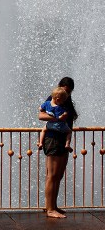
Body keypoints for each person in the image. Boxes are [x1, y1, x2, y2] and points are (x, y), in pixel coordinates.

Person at [39, 77, 77, 218]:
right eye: (65, 91)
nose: (66, 94)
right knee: (52, 175)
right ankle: (49, 209)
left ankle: (53, 205)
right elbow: (41, 115)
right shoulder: (53, 98)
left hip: (62, 139)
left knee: (58, 175)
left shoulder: (66, 100)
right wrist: (56, 119)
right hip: (53, 138)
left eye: (69, 92)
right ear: (60, 87)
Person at [37, 87, 72, 153]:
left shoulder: (46, 103)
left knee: (43, 130)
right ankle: (67, 144)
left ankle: (40, 142)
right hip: (59, 126)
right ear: (58, 99)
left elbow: (40, 108)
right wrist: (64, 115)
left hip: (50, 125)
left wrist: (42, 109)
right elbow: (61, 116)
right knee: (69, 131)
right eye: (62, 101)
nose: (62, 103)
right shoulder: (59, 108)